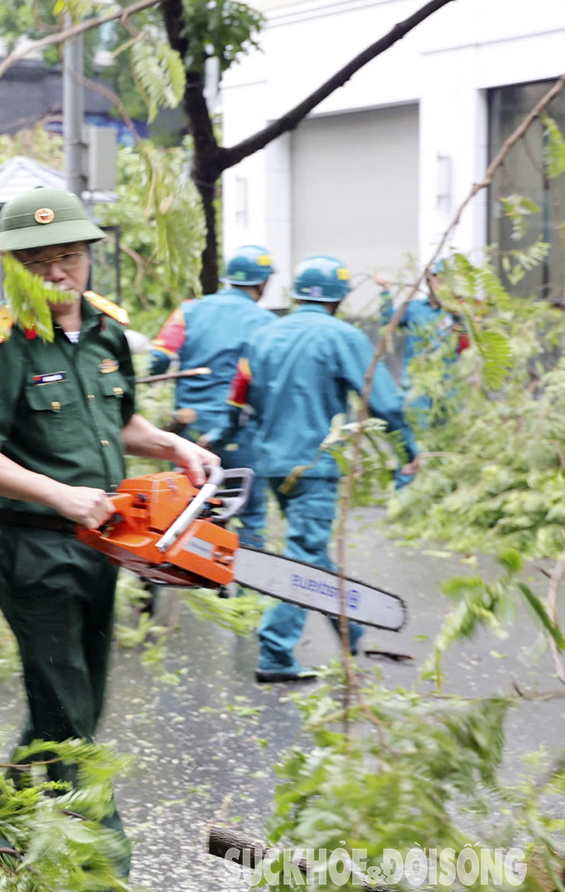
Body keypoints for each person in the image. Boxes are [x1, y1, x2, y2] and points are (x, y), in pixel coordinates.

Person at [0, 187, 217, 877]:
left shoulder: (102, 332)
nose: (56, 273)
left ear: (88, 258)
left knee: (76, 702)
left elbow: (114, 421)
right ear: (11, 268)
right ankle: (102, 881)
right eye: (37, 261)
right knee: (69, 718)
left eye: (67, 256)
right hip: (34, 549)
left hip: (103, 544)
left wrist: (172, 447)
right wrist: (60, 495)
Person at [224, 255, 419, 683]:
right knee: (304, 558)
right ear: (339, 298)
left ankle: (351, 632)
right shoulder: (343, 336)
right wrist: (409, 452)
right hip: (315, 464)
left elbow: (240, 397)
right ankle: (275, 652)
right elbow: (384, 402)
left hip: (272, 464)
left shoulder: (262, 335)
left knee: (310, 550)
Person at [148, 244, 278, 548]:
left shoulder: (189, 310)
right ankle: (246, 587)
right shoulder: (268, 325)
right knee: (250, 513)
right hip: (241, 431)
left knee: (184, 508)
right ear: (262, 283)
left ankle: (188, 578)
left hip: (189, 432)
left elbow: (158, 357)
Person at [374, 261, 468, 428]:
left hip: (447, 384)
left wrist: (459, 315)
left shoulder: (455, 312)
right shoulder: (414, 309)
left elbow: (466, 343)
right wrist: (386, 291)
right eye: (438, 280)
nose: (442, 285)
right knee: (419, 432)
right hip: (417, 383)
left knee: (451, 434)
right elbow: (389, 321)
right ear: (428, 281)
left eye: (446, 281)